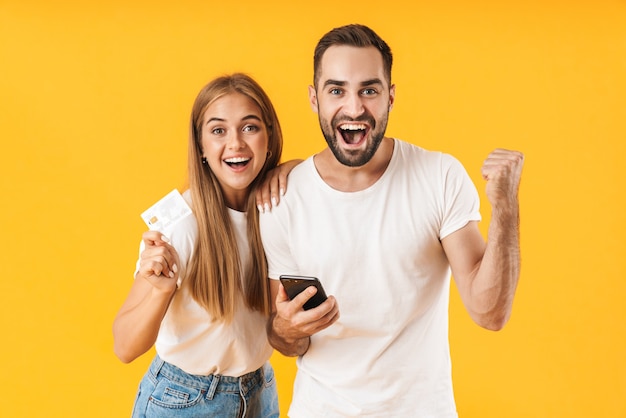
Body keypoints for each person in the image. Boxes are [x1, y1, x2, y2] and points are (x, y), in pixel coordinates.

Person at [260, 24, 524, 417]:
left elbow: (489, 313)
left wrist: (505, 207)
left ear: (391, 96)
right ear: (315, 100)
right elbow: (284, 341)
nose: (353, 108)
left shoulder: (439, 176)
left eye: (369, 89)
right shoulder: (282, 198)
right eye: (337, 90)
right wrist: (287, 329)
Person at [113, 73, 298, 417]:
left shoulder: (277, 208)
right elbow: (124, 346)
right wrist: (159, 291)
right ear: (201, 147)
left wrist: (298, 169)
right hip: (186, 399)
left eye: (250, 127)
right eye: (218, 131)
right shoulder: (183, 224)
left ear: (269, 138)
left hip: (259, 390)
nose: (236, 144)